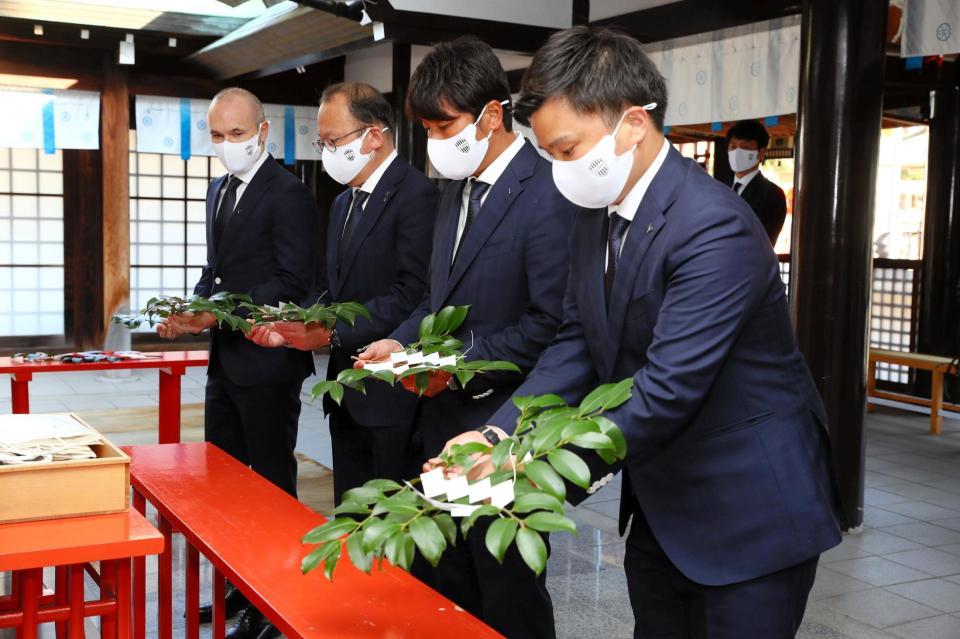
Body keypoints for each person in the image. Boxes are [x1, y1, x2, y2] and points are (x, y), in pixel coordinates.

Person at [436, 27, 842, 639]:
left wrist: (528, 464)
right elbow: (577, 340)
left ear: (631, 123)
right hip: (662, 503)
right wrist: (498, 432)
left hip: (750, 509)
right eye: (548, 154)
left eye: (567, 150)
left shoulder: (714, 226)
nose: (558, 170)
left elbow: (668, 389)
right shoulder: (593, 217)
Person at [357, 36, 577, 639]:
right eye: (427, 128)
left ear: (492, 115)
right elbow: (437, 298)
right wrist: (401, 342)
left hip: (504, 423)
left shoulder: (551, 191)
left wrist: (453, 366)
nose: (434, 141)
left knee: (507, 587)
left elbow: (550, 324)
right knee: (448, 576)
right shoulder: (454, 188)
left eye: (443, 126)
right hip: (440, 421)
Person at [158, 87, 318, 639]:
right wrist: (191, 310)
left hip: (268, 362)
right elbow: (216, 272)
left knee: (269, 484)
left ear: (263, 131)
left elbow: (293, 281)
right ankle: (239, 585)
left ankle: (274, 602)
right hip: (226, 361)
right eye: (217, 135)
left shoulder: (289, 193)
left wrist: (219, 312)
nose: (227, 144)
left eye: (237, 133)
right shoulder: (218, 188)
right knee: (226, 483)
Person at [248, 82, 438, 505]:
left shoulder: (417, 196)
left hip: (391, 392)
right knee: (351, 516)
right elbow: (331, 289)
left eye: (333, 141)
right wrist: (293, 325)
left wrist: (332, 330)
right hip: (345, 391)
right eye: (322, 142)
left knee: (389, 520)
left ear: (374, 136)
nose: (327, 151)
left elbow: (412, 293)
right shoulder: (343, 202)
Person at [724, 119, 787, 245]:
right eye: (733, 147)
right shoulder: (720, 187)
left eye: (745, 148)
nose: (737, 153)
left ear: (761, 153)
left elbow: (763, 242)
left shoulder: (772, 195)